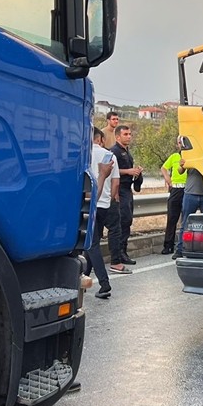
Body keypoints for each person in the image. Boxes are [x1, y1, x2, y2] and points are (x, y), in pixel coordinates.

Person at [84, 127, 117, 300]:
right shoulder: (110, 156)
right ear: (100, 138)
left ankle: (104, 284)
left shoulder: (84, 155)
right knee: (90, 244)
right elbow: (116, 182)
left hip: (89, 204)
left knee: (91, 244)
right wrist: (111, 199)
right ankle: (81, 279)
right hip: (104, 204)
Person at [110, 124, 143, 267]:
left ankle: (123, 250)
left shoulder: (127, 151)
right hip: (120, 190)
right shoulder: (114, 152)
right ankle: (119, 254)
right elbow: (111, 170)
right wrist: (128, 171)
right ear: (118, 136)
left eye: (130, 134)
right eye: (125, 134)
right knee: (123, 221)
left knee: (128, 221)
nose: (129, 136)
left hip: (128, 190)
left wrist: (136, 171)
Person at [173, 155, 203, 258]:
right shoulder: (191, 152)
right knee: (185, 222)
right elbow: (180, 171)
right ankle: (180, 249)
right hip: (190, 193)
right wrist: (182, 165)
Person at [160, 136, 187, 254]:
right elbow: (164, 168)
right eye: (179, 143)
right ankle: (168, 245)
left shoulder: (191, 157)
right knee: (172, 218)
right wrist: (168, 180)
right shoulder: (174, 157)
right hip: (176, 188)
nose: (181, 145)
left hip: (188, 189)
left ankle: (184, 245)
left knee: (186, 219)